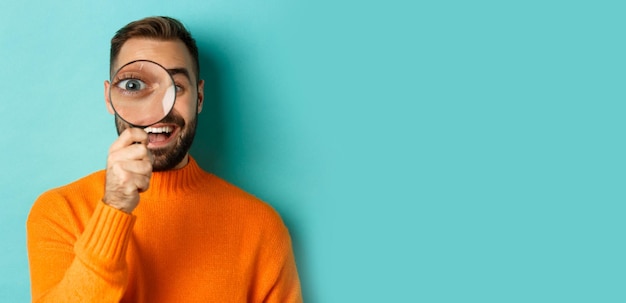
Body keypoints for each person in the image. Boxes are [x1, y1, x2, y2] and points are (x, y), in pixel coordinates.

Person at [26, 16, 302, 302]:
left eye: (177, 87)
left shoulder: (261, 226)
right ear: (109, 98)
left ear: (200, 97)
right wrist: (115, 209)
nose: (158, 109)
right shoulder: (60, 212)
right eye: (133, 86)